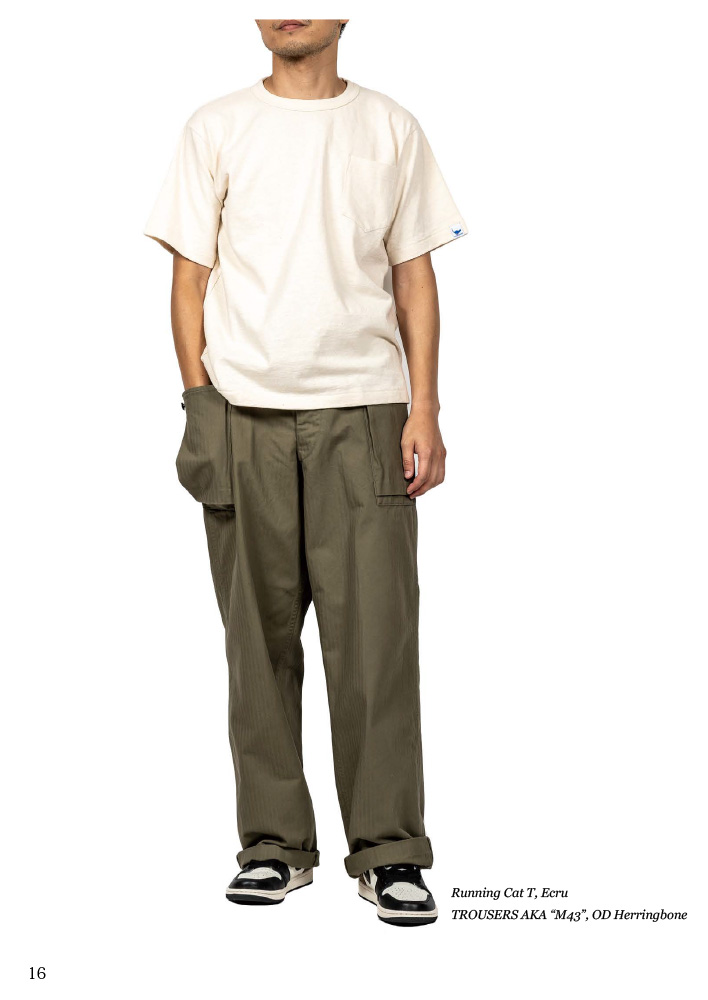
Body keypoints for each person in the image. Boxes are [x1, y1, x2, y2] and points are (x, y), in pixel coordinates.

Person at [145, 18, 466, 926]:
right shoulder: (215, 126)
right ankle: (273, 847)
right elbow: (188, 279)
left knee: (376, 646)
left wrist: (426, 408)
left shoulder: (390, 127)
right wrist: (200, 403)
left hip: (366, 414)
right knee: (257, 644)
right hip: (242, 414)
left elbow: (414, 275)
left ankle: (390, 853)